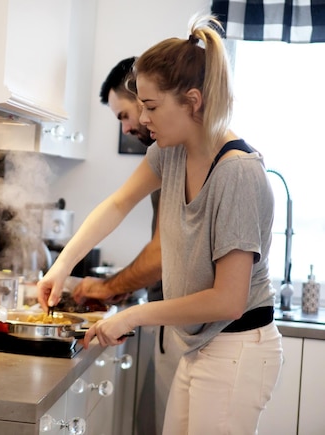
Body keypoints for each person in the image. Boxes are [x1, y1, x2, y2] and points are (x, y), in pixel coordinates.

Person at [38, 14, 282, 434]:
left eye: (151, 106)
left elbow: (228, 300)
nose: (144, 119)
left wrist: (133, 316)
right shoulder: (173, 153)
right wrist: (61, 267)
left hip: (237, 347)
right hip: (201, 345)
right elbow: (117, 204)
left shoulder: (237, 172)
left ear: (192, 101)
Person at [72, 56, 180, 435]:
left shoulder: (188, 154)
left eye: (126, 114)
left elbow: (164, 255)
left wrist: (107, 287)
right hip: (173, 321)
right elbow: (118, 203)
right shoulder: (165, 154)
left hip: (187, 327)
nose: (132, 125)